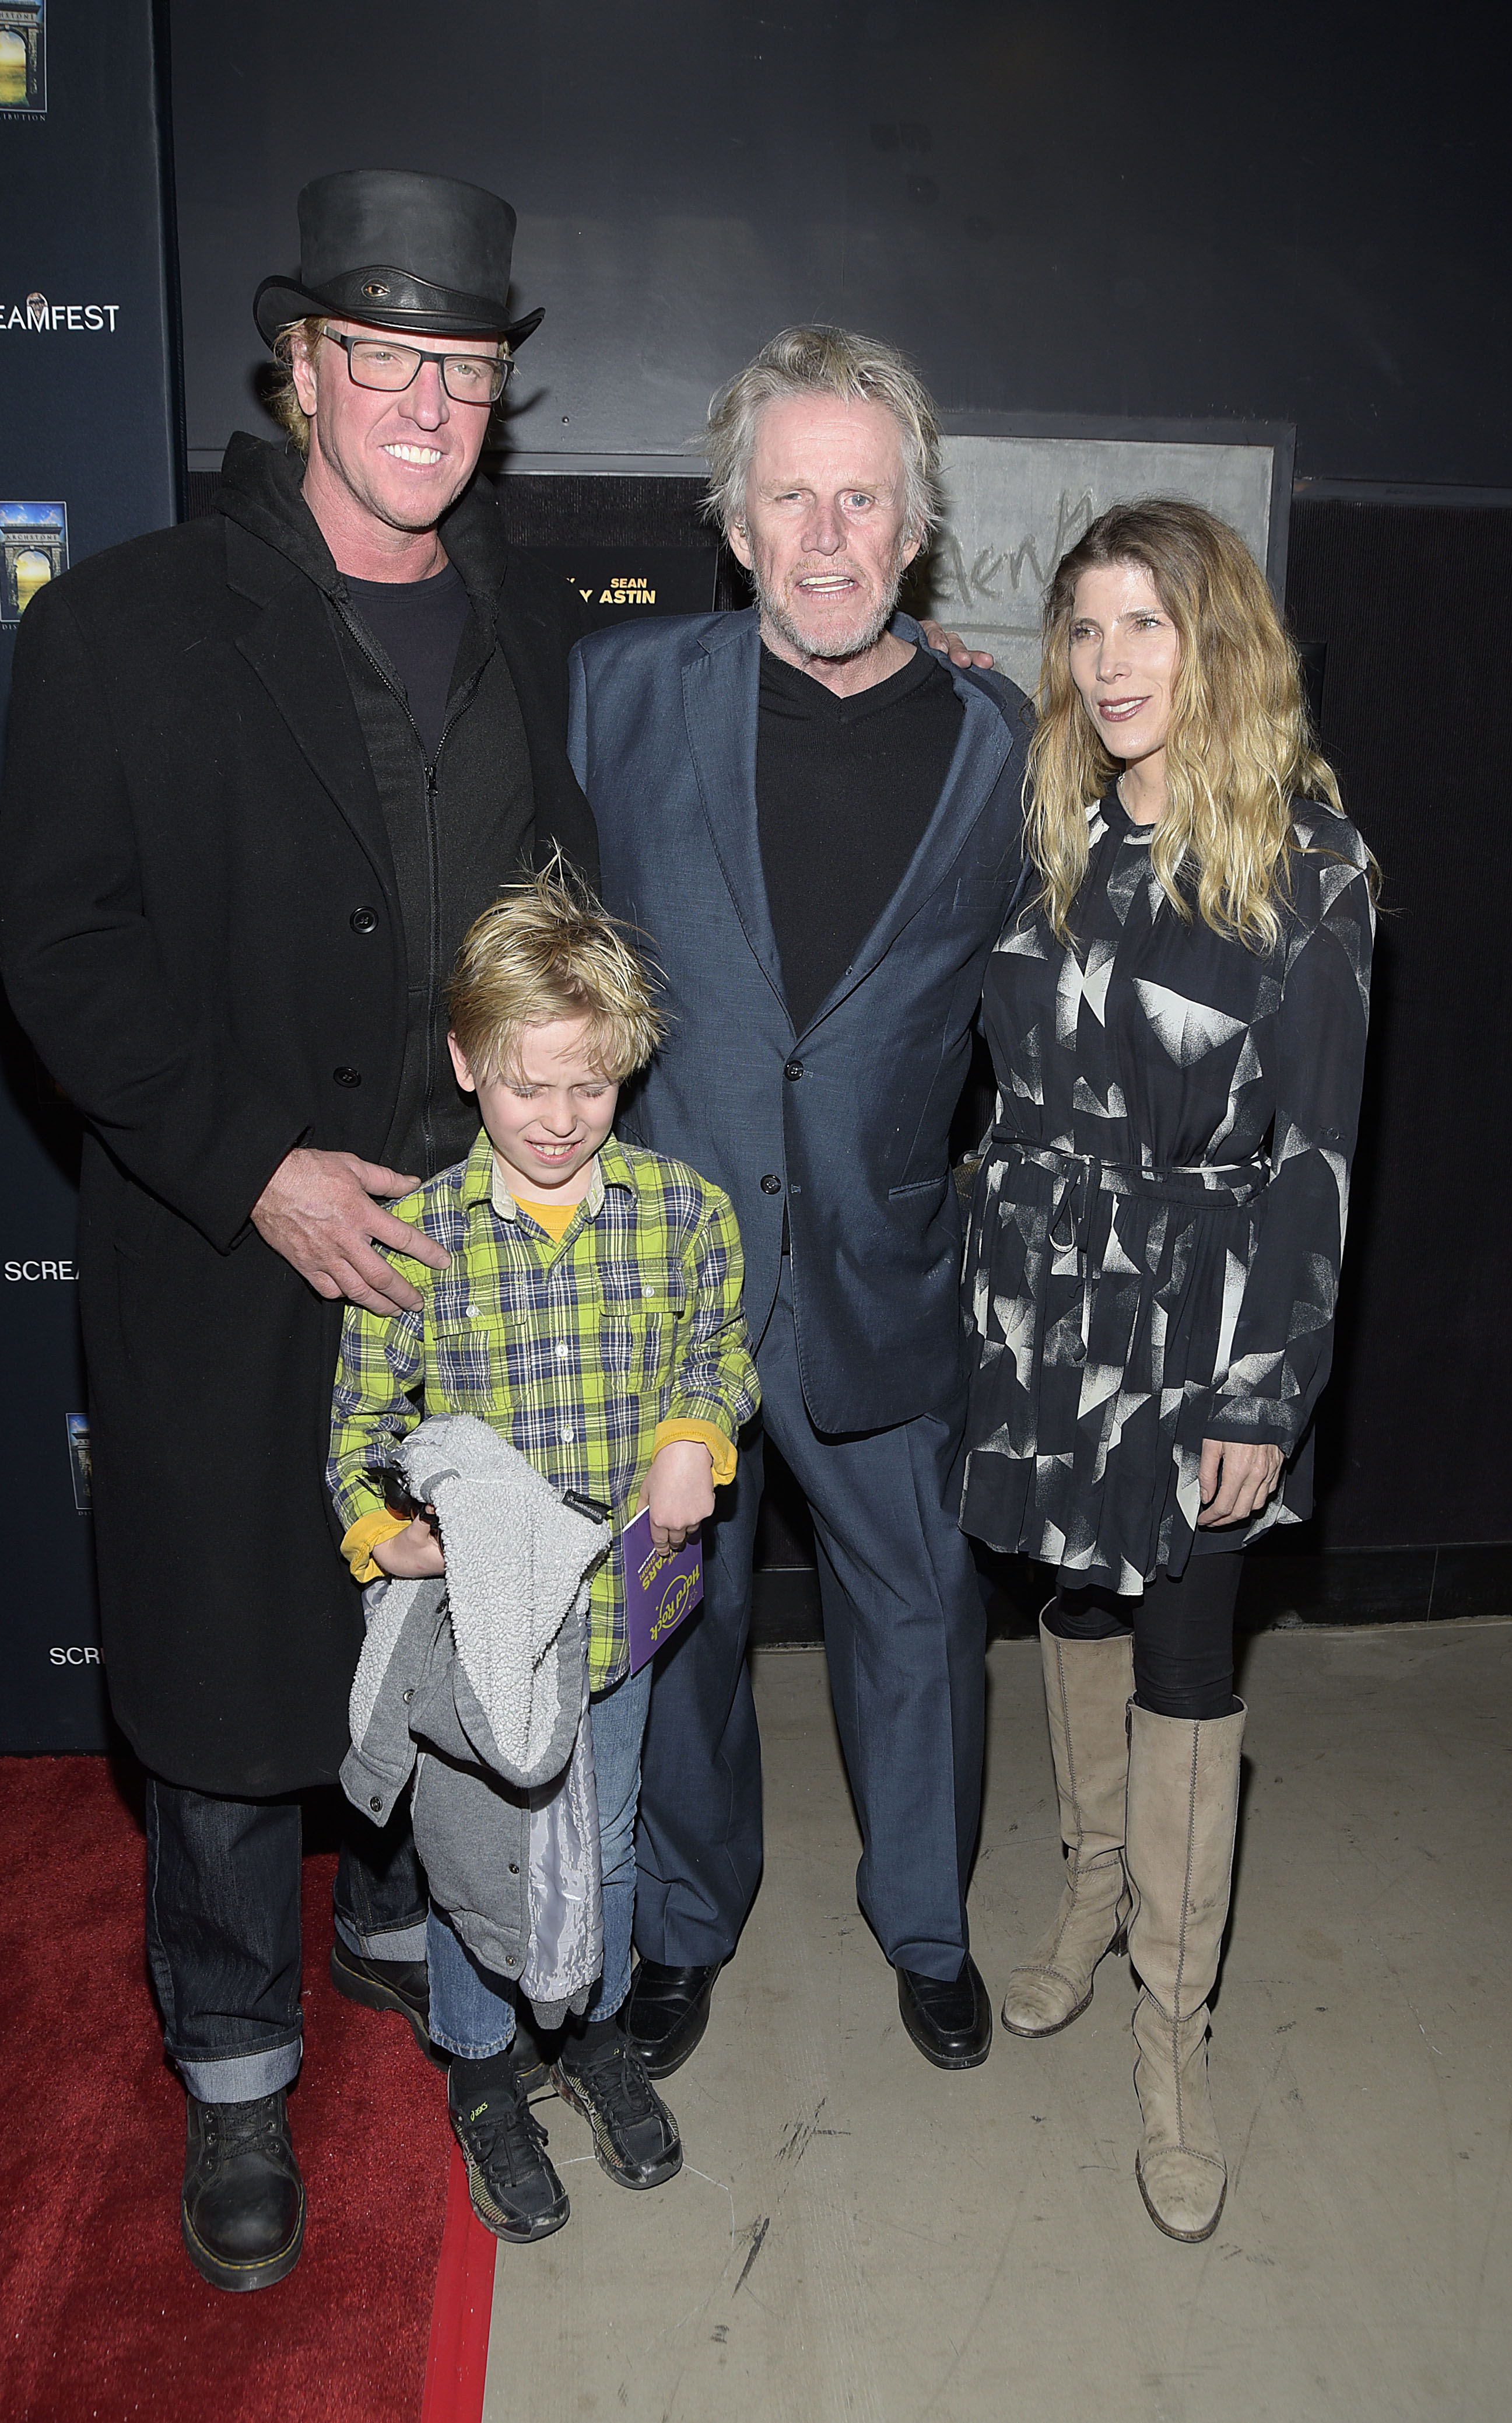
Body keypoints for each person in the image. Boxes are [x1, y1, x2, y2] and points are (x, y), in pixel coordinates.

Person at [0, 169, 596, 2290]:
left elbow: (559, 915)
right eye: (388, 354)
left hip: (460, 1266)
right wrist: (253, 1159)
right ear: (304, 367)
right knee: (241, 1681)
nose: (431, 396)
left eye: (468, 363)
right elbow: (59, 950)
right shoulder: (122, 624)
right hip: (237, 1258)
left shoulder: (525, 622)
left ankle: (397, 1926)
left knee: (433, 1633)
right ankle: (234, 2074)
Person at [570, 325, 1029, 2078]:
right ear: (734, 521)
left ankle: (927, 1923)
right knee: (673, 1631)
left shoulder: (1005, 735)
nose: (826, 535)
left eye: (862, 499)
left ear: (914, 527)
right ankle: (687, 1922)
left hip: (883, 1259)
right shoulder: (613, 696)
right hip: (673, 1283)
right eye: (790, 498)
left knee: (917, 1623)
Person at [957, 498, 1376, 2242]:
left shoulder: (1310, 863)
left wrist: (1263, 1398)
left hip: (1201, 1318)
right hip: (1043, 1301)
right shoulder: (1046, 825)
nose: (1113, 662)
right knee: (1070, 1606)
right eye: (1086, 627)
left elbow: (1320, 1156)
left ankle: (1171, 2033)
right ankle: (1083, 1899)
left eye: (1150, 625)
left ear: (1218, 647)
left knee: (1188, 1652)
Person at [327, 863, 760, 2242]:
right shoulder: (422, 1236)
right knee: (478, 1873)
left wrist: (701, 1425)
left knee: (607, 1840)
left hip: (617, 1628)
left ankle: (596, 2034)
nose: (561, 1118)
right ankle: (483, 2069)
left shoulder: (683, 1215)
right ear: (466, 1066)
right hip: (474, 1645)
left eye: (591, 1085)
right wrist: (382, 1532)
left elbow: (718, 1348)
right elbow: (359, 1423)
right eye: (528, 1086)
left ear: (627, 1067)